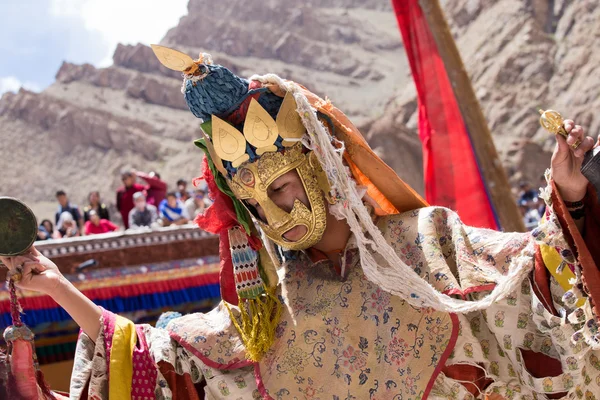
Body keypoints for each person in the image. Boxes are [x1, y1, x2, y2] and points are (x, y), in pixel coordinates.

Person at [2, 54, 600, 399]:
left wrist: (573, 198)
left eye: (284, 186)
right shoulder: (266, 317)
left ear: (325, 170)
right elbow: (163, 361)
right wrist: (57, 288)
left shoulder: (430, 242)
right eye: (258, 204)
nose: (277, 213)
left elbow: (541, 276)